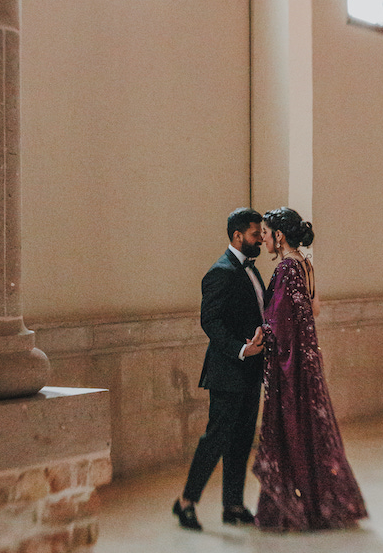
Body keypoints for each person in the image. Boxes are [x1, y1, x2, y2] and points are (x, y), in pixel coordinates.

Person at [252, 207, 368, 531]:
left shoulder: (287, 267)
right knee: (309, 428)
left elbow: (281, 322)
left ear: (279, 235)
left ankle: (297, 509)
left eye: (266, 232)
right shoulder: (305, 265)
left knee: (293, 428)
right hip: (307, 359)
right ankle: (319, 504)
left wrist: (265, 332)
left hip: (292, 364)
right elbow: (314, 308)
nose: (262, 238)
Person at [173, 207, 266, 531]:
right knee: (216, 439)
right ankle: (186, 502)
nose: (260, 239)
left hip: (252, 370)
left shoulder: (252, 271)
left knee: (242, 440)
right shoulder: (220, 271)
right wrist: (241, 349)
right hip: (228, 371)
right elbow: (209, 321)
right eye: (256, 234)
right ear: (238, 235)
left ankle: (233, 505)